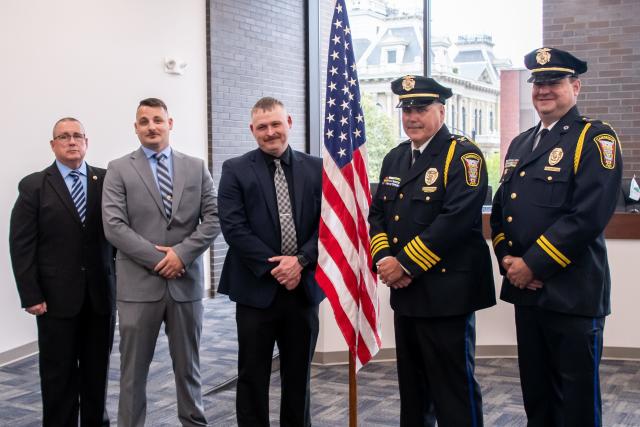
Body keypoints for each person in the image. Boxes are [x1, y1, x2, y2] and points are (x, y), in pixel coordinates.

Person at [490, 48, 623, 426]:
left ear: (575, 86)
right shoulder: (521, 144)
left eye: (555, 82)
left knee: (576, 403)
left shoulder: (595, 139)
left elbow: (588, 216)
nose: (544, 90)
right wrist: (509, 261)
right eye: (538, 82)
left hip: (572, 295)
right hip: (527, 295)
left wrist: (531, 264)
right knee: (538, 397)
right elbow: (502, 212)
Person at [368, 76, 496, 427]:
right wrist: (383, 259)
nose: (411, 116)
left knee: (452, 388)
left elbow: (455, 220)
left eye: (421, 108)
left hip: (446, 295)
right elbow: (378, 214)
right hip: (406, 294)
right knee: (413, 390)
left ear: (441, 110)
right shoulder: (395, 158)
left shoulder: (463, 155)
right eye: (406, 109)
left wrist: (405, 264)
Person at [102, 98, 220, 427]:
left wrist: (180, 254)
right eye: (143, 121)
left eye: (157, 119)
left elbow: (212, 219)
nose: (151, 126)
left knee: (189, 369)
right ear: (136, 128)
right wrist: (161, 260)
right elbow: (114, 226)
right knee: (132, 372)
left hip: (185, 285)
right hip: (138, 288)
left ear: (171, 123)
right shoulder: (119, 168)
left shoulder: (195, 166)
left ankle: (193, 422)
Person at [218, 97, 324, 427]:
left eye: (275, 124)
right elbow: (233, 228)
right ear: (252, 130)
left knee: (298, 377)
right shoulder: (235, 169)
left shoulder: (317, 168)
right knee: (252, 377)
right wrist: (278, 267)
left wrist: (301, 261)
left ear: (288, 122)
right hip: (255, 290)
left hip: (303, 290)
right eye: (262, 127)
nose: (270, 132)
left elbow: (329, 225)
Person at [9, 117, 115, 426]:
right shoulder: (34, 186)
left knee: (97, 373)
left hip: (100, 298)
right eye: (63, 137)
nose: (71, 141)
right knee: (58, 376)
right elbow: (22, 245)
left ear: (86, 141)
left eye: (77, 136)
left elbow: (118, 236)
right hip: (54, 302)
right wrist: (30, 293)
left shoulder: (106, 180)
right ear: (53, 145)